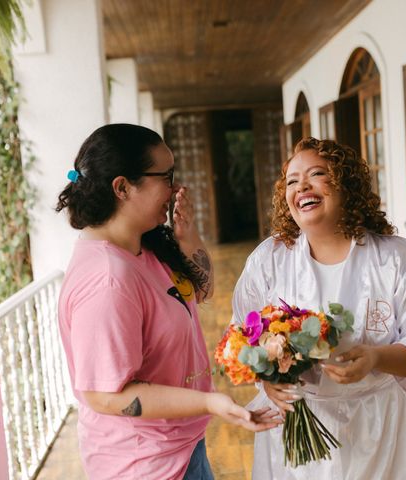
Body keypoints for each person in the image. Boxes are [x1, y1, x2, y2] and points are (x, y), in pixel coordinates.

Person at [56, 124, 280, 480]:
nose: (175, 187)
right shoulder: (107, 278)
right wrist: (208, 401)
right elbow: (106, 395)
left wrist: (187, 235)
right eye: (166, 175)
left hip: (179, 446)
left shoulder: (143, 246)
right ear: (123, 187)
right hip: (145, 465)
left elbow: (201, 289)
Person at [231, 137, 406, 479]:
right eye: (292, 180)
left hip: (378, 426)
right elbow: (242, 333)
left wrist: (377, 357)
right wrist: (268, 381)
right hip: (296, 424)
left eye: (317, 174)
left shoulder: (395, 259)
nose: (302, 185)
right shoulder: (269, 260)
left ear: (346, 184)